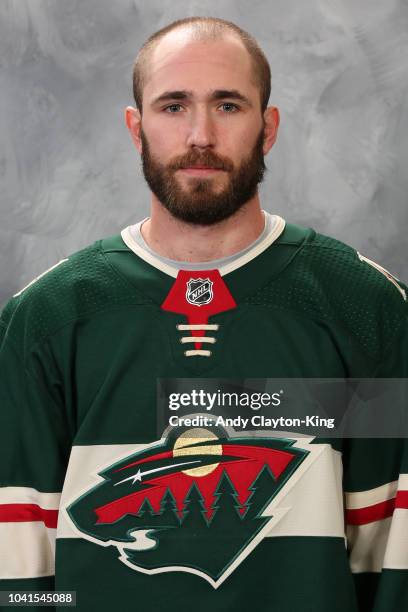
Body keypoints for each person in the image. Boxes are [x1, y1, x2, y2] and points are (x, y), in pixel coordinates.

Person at [0, 16, 407, 612]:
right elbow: (20, 564)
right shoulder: (46, 318)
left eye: (228, 105)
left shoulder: (365, 307)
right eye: (172, 107)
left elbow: (391, 551)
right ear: (136, 128)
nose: (200, 135)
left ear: (268, 128)